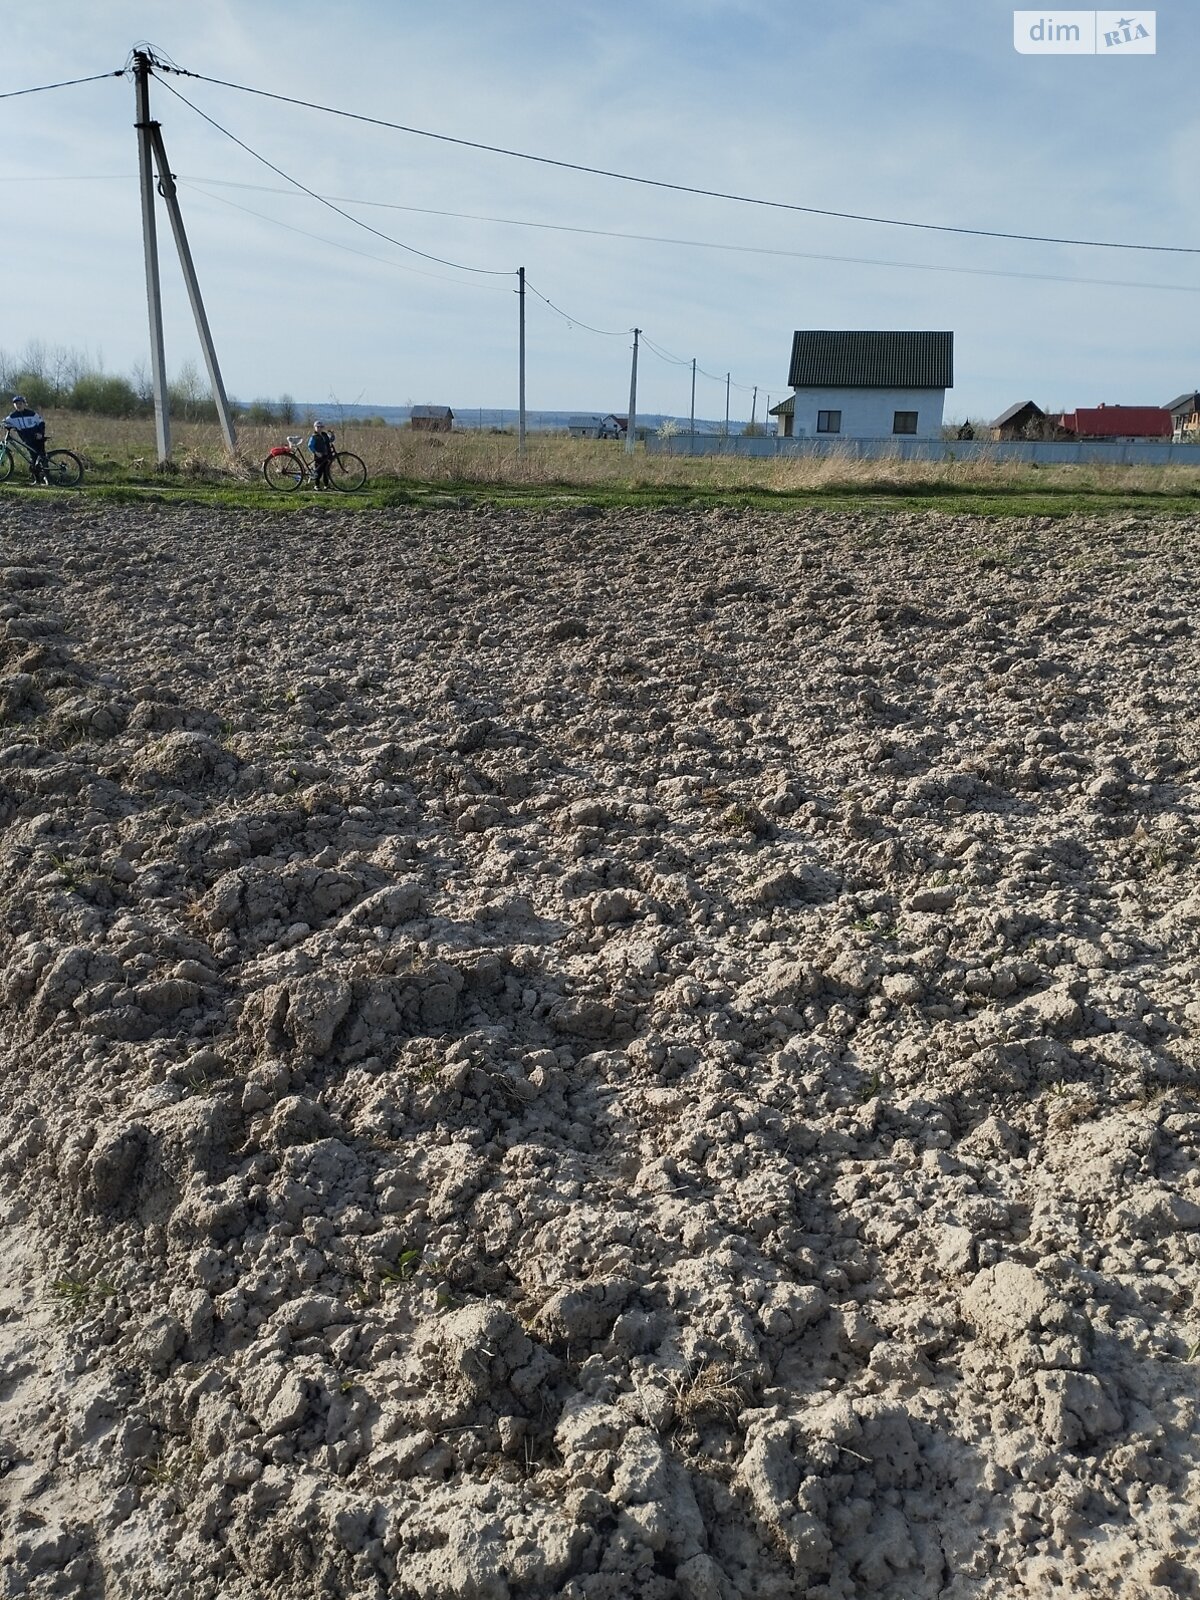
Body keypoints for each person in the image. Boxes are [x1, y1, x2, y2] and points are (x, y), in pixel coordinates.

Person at [4, 395, 48, 484]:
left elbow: (41, 422)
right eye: (16, 404)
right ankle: (37, 480)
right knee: (33, 458)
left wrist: (40, 433)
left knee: (41, 457)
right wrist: (4, 425)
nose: (18, 405)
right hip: (27, 440)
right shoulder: (13, 416)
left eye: (20, 403)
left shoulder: (32, 414)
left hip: (37, 438)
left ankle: (47, 477)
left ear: (24, 404)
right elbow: (4, 421)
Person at [308, 420, 335, 489]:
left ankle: (326, 485)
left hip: (327, 455)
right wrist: (316, 452)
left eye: (321, 427)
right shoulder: (314, 437)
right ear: (315, 427)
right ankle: (316, 485)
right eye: (318, 427)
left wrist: (332, 434)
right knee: (318, 471)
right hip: (319, 456)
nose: (319, 428)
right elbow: (310, 446)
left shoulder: (325, 435)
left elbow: (331, 440)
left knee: (326, 471)